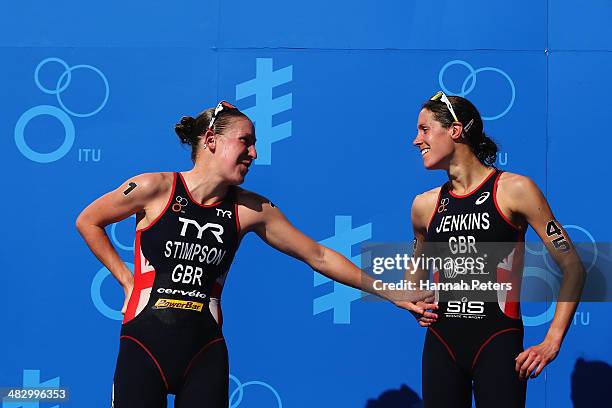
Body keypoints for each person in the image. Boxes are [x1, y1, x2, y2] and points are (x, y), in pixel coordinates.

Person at [76, 101, 425, 408]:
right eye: (246, 141)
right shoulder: (155, 188)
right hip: (143, 345)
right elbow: (89, 221)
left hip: (203, 353)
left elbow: (317, 255)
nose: (254, 153)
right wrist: (126, 280)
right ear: (211, 140)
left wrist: (391, 292)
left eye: (254, 144)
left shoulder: (250, 208)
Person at [406, 92, 586, 407]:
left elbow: (573, 268)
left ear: (455, 130)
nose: (416, 140)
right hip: (440, 346)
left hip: (498, 344)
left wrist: (553, 340)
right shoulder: (424, 205)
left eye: (424, 129)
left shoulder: (515, 190)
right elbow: (415, 274)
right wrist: (414, 298)